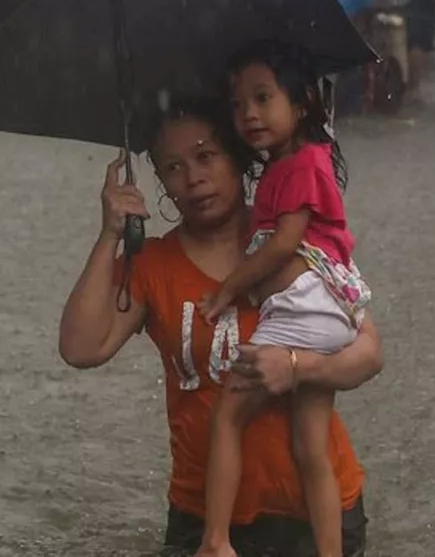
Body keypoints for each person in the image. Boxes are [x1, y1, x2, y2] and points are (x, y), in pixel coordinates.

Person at [59, 96, 382, 557]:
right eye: (173, 167)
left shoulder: (292, 243)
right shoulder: (152, 265)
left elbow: (370, 354)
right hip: (205, 520)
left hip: (315, 516)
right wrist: (110, 233)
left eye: (206, 155)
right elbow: (79, 347)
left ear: (237, 158)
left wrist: (296, 367)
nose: (193, 178)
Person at [193, 45, 372, 557]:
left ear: (301, 105)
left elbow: (283, 242)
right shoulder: (296, 162)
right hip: (325, 315)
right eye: (237, 103)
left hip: (303, 312)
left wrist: (229, 288)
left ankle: (215, 541)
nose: (248, 113)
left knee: (227, 415)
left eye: (263, 98)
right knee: (309, 447)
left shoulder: (297, 164)